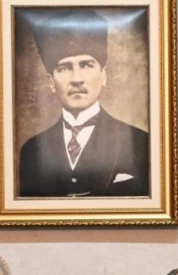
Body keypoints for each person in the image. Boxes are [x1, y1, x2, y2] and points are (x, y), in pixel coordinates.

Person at [18, 9, 149, 197]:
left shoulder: (139, 142)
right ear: (51, 82)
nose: (76, 79)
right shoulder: (31, 151)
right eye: (64, 68)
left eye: (86, 65)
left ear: (103, 75)